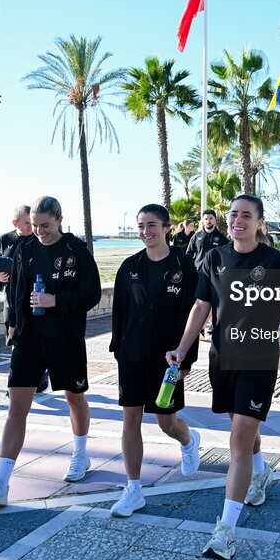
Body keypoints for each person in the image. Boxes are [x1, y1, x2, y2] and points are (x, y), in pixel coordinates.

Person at [166, 195, 280, 560]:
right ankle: (261, 471)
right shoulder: (215, 258)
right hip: (222, 357)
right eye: (233, 214)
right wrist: (181, 348)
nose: (238, 220)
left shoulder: (276, 261)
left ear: (259, 223)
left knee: (238, 439)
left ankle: (225, 531)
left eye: (246, 215)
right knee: (241, 426)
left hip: (260, 358)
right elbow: (201, 307)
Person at [0, 196, 101, 506]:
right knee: (17, 406)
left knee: (74, 397)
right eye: (35, 225)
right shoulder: (24, 248)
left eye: (45, 225)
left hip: (65, 338)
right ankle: (0, 481)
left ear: (59, 220)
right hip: (28, 339)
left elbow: (91, 293)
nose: (39, 231)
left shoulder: (75, 251)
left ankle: (80, 455)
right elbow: (16, 291)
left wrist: (57, 301)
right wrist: (13, 324)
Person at [108, 204, 202, 517]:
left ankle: (188, 440)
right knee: (130, 419)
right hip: (132, 354)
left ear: (166, 227)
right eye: (141, 226)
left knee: (166, 421)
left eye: (151, 225)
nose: (146, 231)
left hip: (169, 358)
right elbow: (120, 310)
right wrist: (117, 347)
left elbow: (195, 311)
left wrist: (187, 359)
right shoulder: (129, 266)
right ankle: (133, 489)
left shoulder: (184, 264)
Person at [0, 204, 49, 395]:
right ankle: (16, 383)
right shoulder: (5, 239)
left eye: (32, 222)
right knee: (14, 339)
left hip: (34, 297)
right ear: (15, 222)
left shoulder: (39, 239)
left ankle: (39, 375)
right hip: (11, 298)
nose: (31, 227)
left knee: (34, 340)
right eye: (26, 223)